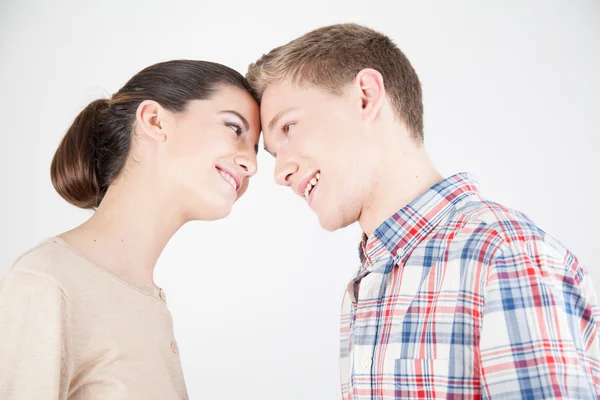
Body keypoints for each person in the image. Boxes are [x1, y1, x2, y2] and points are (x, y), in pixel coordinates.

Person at [247, 23, 600, 399]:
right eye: (273, 151)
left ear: (365, 96)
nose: (280, 172)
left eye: (289, 127)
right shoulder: (365, 287)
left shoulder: (502, 254)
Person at [0, 60, 260, 399]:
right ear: (154, 120)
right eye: (234, 128)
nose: (251, 164)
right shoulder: (47, 283)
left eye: (255, 150)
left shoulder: (148, 303)